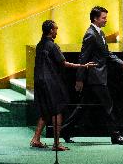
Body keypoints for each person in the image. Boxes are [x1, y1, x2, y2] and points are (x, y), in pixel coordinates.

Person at [30, 20, 96, 151]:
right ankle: (56, 143)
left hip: (39, 81)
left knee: (46, 111)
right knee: (57, 110)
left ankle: (36, 139)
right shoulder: (52, 46)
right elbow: (64, 63)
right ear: (51, 31)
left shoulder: (39, 45)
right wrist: (83, 65)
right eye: (55, 29)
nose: (56, 32)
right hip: (50, 82)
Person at [75, 6, 123, 144]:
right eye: (104, 17)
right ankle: (116, 136)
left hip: (96, 77)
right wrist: (79, 79)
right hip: (95, 77)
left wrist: (121, 63)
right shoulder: (90, 34)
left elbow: (107, 54)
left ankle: (64, 130)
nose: (106, 20)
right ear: (95, 18)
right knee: (108, 106)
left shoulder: (99, 33)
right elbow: (83, 58)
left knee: (82, 107)